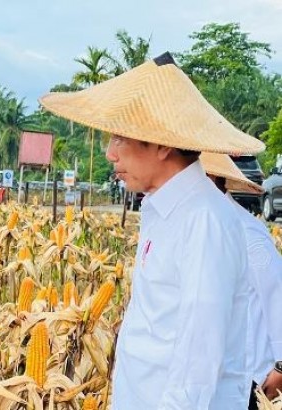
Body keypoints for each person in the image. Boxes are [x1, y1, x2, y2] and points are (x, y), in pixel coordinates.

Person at [40, 52, 265, 409]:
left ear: (162, 143)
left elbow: (198, 362)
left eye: (119, 138)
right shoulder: (162, 210)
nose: (110, 154)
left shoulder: (204, 222)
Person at [200, 152, 282, 407]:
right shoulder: (201, 229)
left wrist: (280, 367)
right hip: (209, 377)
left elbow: (277, 297)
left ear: (210, 177)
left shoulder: (248, 236)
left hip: (250, 379)